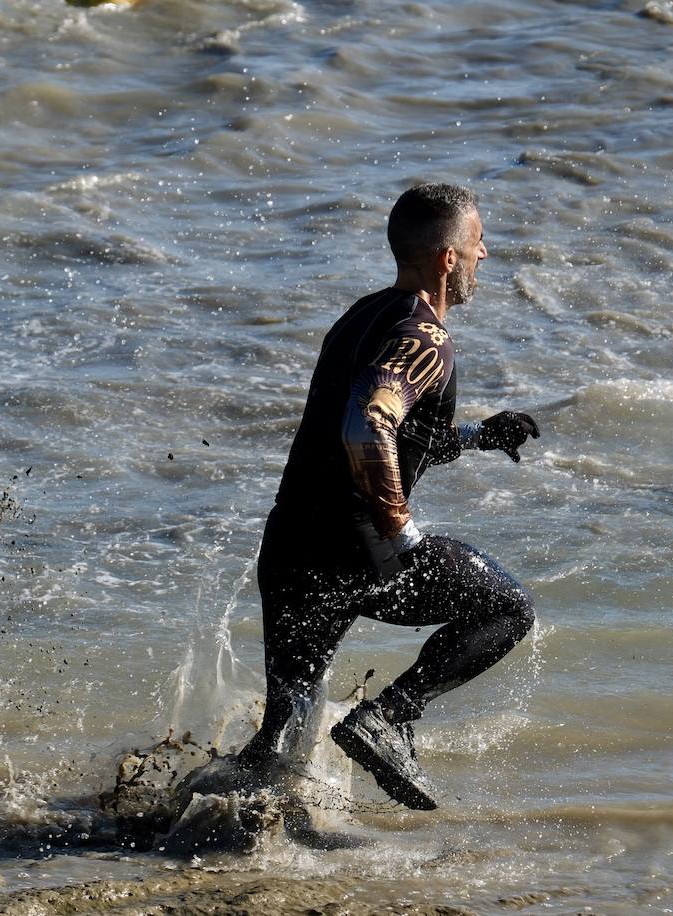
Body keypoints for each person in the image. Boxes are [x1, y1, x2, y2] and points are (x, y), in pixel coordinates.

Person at [235, 183, 539, 810]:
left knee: (284, 735)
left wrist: (481, 435)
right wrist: (399, 534)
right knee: (509, 610)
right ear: (448, 258)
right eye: (478, 240)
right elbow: (367, 423)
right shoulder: (427, 339)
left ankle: (193, 823)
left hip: (292, 547)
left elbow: (401, 434)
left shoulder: (361, 316)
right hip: (359, 551)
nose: (487, 251)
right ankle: (391, 718)